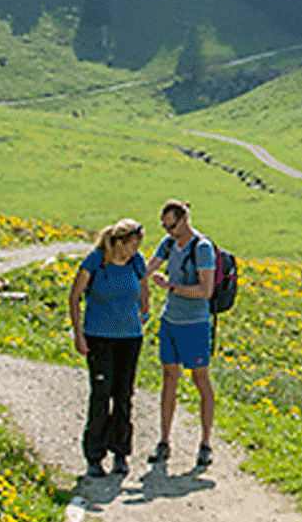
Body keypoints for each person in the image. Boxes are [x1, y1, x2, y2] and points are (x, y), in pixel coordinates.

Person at [68, 217, 150, 478]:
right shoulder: (95, 260)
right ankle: (94, 455)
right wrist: (79, 335)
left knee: (124, 395)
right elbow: (75, 296)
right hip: (99, 336)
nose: (136, 250)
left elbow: (143, 286)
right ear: (118, 242)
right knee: (101, 395)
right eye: (132, 244)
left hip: (129, 337)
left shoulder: (137, 261)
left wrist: (144, 313)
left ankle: (121, 452)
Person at [146, 198, 218, 473]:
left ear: (184, 220)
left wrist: (171, 287)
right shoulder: (168, 244)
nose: (168, 231)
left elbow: (206, 290)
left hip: (196, 323)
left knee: (200, 379)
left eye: (172, 226)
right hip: (170, 321)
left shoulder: (202, 248)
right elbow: (149, 267)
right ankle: (164, 441)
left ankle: (206, 443)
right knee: (168, 377)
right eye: (165, 227)